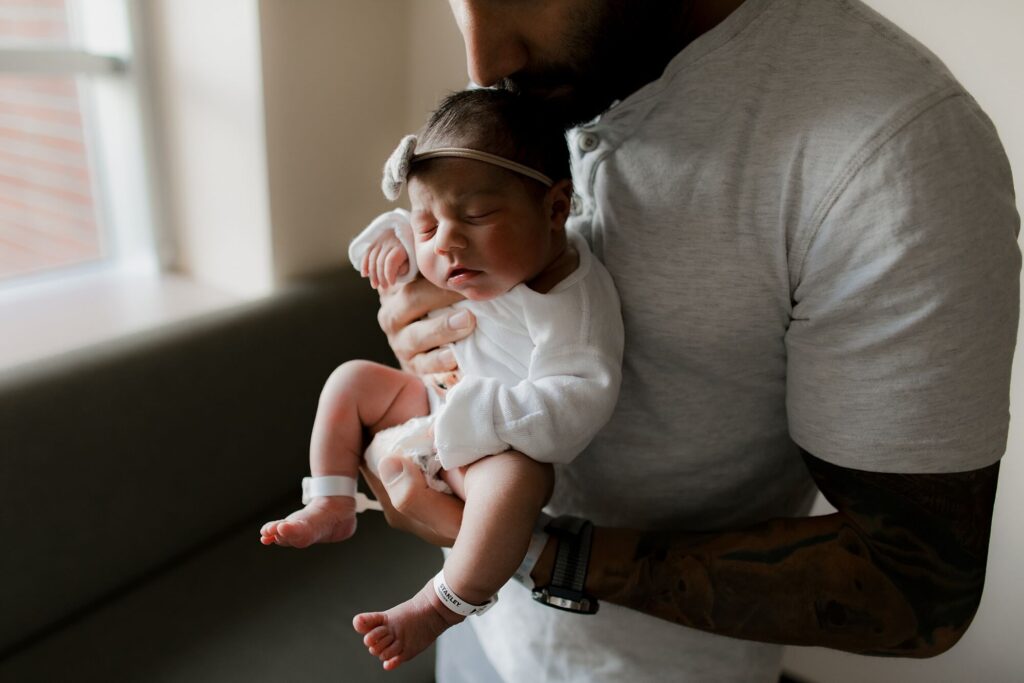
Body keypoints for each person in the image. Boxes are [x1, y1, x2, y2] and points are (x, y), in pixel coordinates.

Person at [360, 0, 1022, 681]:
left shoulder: (895, 152)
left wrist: (518, 549)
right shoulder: (533, 82)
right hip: (477, 641)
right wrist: (434, 338)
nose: (483, 66)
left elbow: (916, 586)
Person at [260, 88, 624, 671]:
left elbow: (575, 406)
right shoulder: (448, 238)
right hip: (430, 400)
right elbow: (402, 225)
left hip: (491, 442)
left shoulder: (569, 301)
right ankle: (331, 501)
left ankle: (443, 602)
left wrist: (472, 418)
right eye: (430, 224)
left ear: (556, 210)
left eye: (477, 218)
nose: (447, 243)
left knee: (520, 482)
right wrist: (385, 242)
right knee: (351, 380)